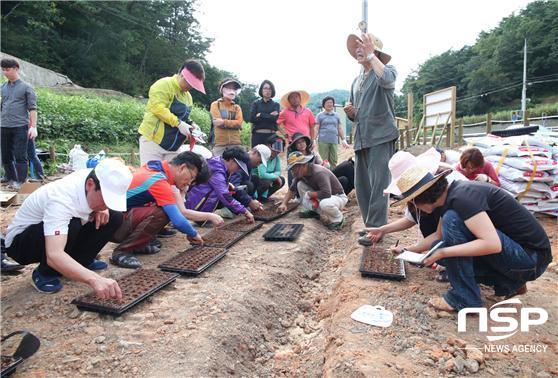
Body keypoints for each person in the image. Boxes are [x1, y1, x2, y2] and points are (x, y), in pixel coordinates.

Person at [391, 166, 552, 312]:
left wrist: (443, 252)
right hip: (523, 258)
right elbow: (438, 236)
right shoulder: (452, 197)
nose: (415, 208)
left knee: (450, 225)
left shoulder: (461, 199)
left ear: (420, 199)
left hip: (531, 260)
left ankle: (464, 298)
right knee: (440, 246)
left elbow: (492, 244)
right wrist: (407, 250)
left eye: (412, 203)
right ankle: (510, 283)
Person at [4, 159, 132, 296]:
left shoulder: (95, 176)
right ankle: (45, 273)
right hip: (21, 244)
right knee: (73, 223)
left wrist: (102, 208)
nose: (107, 204)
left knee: (114, 216)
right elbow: (54, 254)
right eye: (105, 198)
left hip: (56, 231)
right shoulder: (61, 200)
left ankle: (81, 261)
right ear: (90, 185)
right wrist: (95, 279)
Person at [110, 152, 208, 269]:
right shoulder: (158, 181)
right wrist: (194, 234)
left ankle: (138, 244)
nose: (189, 183)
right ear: (182, 168)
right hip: (111, 225)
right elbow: (177, 220)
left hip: (118, 218)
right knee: (162, 213)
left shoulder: (156, 168)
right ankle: (122, 252)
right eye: (191, 177)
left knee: (163, 207)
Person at [343, 33, 398, 230]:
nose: (358, 50)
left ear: (375, 51)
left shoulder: (386, 70)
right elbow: (357, 115)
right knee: (362, 185)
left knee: (379, 183)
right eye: (356, 47)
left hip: (381, 135)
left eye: (363, 46)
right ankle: (370, 225)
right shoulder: (356, 81)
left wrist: (371, 56)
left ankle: (377, 227)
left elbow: (388, 81)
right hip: (362, 137)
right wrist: (351, 113)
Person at [138, 59, 205, 165]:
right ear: (182, 75)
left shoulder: (188, 97)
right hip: (153, 141)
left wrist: (192, 124)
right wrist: (178, 123)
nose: (191, 87)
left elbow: (184, 117)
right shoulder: (163, 85)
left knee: (172, 178)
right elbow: (158, 108)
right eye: (190, 83)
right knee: (151, 177)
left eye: (194, 85)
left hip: (174, 146)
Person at [278, 152, 347, 230]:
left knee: (324, 204)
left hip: (337, 197)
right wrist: (284, 203)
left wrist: (310, 194)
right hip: (324, 196)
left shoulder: (319, 173)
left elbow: (326, 193)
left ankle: (338, 218)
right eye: (292, 169)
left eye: (294, 168)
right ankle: (313, 211)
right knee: (300, 184)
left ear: (303, 165)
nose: (293, 171)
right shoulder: (300, 174)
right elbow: (291, 189)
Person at [185, 146, 255, 223]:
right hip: (196, 206)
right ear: (231, 160)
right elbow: (224, 195)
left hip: (202, 202)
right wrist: (245, 211)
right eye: (238, 167)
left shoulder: (218, 162)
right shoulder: (217, 170)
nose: (237, 170)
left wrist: (227, 184)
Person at [1, 58, 37, 189]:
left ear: (16, 69)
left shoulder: (26, 87)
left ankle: (21, 181)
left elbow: (32, 108)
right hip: (4, 125)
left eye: (7, 69)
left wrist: (33, 127)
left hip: (20, 126)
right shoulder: (3, 87)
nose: (5, 72)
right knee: (5, 155)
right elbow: (2, 106)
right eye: (3, 70)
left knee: (20, 155)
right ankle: (9, 177)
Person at [210, 78, 243, 156]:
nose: (231, 91)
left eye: (234, 88)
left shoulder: (237, 107)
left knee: (236, 167)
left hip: (235, 144)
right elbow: (217, 122)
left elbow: (239, 123)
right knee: (217, 166)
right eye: (228, 88)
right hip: (219, 144)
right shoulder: (215, 104)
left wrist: (223, 122)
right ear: (222, 90)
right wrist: (233, 123)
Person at [316, 96, 349, 168]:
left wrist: (343, 139)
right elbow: (317, 128)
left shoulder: (336, 115)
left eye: (331, 102)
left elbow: (339, 128)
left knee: (334, 160)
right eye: (327, 102)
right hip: (323, 141)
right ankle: (324, 177)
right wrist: (313, 139)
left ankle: (333, 176)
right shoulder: (320, 115)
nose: (329, 104)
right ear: (324, 105)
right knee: (324, 161)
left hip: (334, 140)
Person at [251, 134, 285, 202]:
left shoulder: (276, 158)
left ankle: (264, 197)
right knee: (267, 181)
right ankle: (255, 199)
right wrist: (275, 177)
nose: (276, 152)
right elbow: (262, 174)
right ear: (268, 145)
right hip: (256, 181)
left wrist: (274, 176)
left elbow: (278, 171)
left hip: (266, 179)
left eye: (278, 150)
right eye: (274, 149)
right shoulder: (264, 155)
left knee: (281, 180)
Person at [250, 80, 281, 147]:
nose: (268, 91)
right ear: (261, 90)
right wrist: (269, 116)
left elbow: (274, 119)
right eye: (265, 88)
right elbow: (252, 119)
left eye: (270, 89)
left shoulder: (276, 105)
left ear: (272, 91)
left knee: (273, 157)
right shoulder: (256, 104)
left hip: (272, 136)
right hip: (257, 136)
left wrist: (261, 115)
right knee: (256, 157)